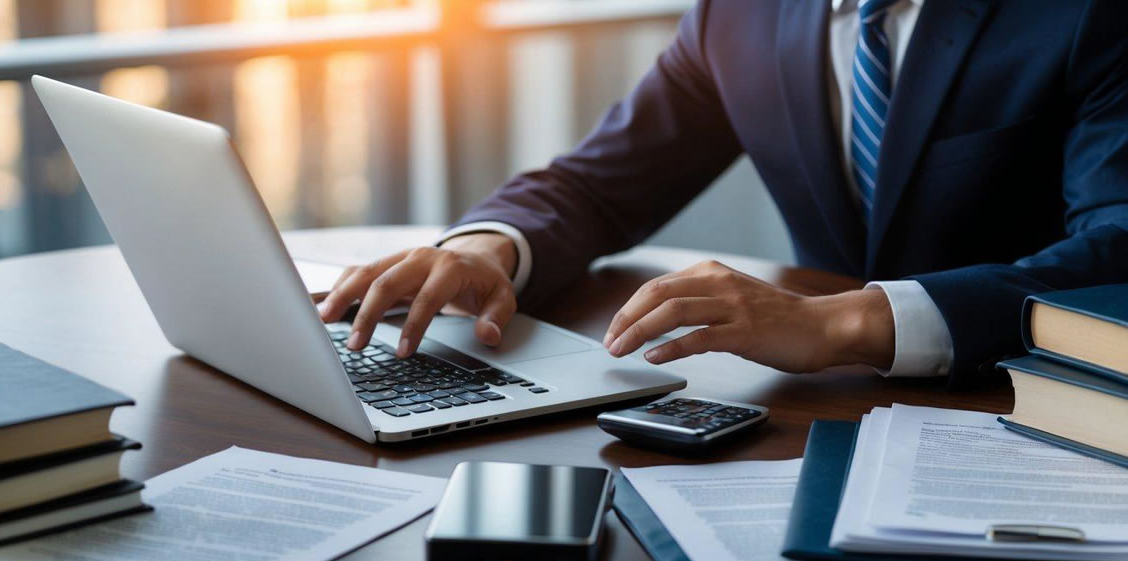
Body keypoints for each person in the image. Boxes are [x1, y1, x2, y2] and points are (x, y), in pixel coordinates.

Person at [318, 0, 1128, 387]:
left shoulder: (1089, 15)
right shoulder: (739, 15)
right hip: (825, 415)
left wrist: (842, 320)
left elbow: (1116, 250)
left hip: (1043, 405)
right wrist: (487, 247)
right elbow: (600, 183)